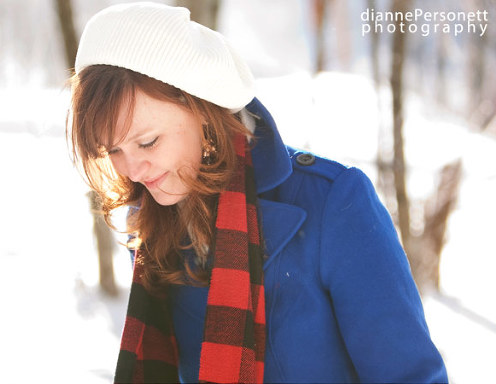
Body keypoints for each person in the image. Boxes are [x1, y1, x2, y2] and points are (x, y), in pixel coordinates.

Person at [67, 3, 447, 383]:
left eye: (147, 142)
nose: (132, 170)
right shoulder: (151, 226)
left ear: (200, 105)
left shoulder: (333, 204)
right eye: (112, 151)